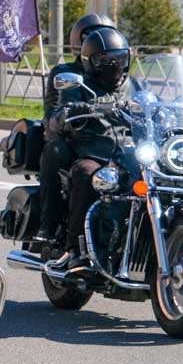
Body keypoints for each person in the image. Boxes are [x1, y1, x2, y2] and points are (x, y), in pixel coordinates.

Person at [46, 27, 131, 267]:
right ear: (90, 62)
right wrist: (72, 110)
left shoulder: (133, 84)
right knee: (86, 174)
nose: (115, 66)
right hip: (94, 153)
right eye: (106, 61)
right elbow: (58, 114)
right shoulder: (79, 85)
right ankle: (76, 250)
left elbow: (150, 104)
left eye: (120, 59)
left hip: (128, 154)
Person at [34, 14, 117, 247]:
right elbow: (54, 113)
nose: (102, 42)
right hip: (75, 141)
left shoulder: (121, 77)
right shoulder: (67, 74)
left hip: (113, 145)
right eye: (92, 36)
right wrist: (69, 114)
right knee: (58, 151)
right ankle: (52, 228)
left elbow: (144, 101)